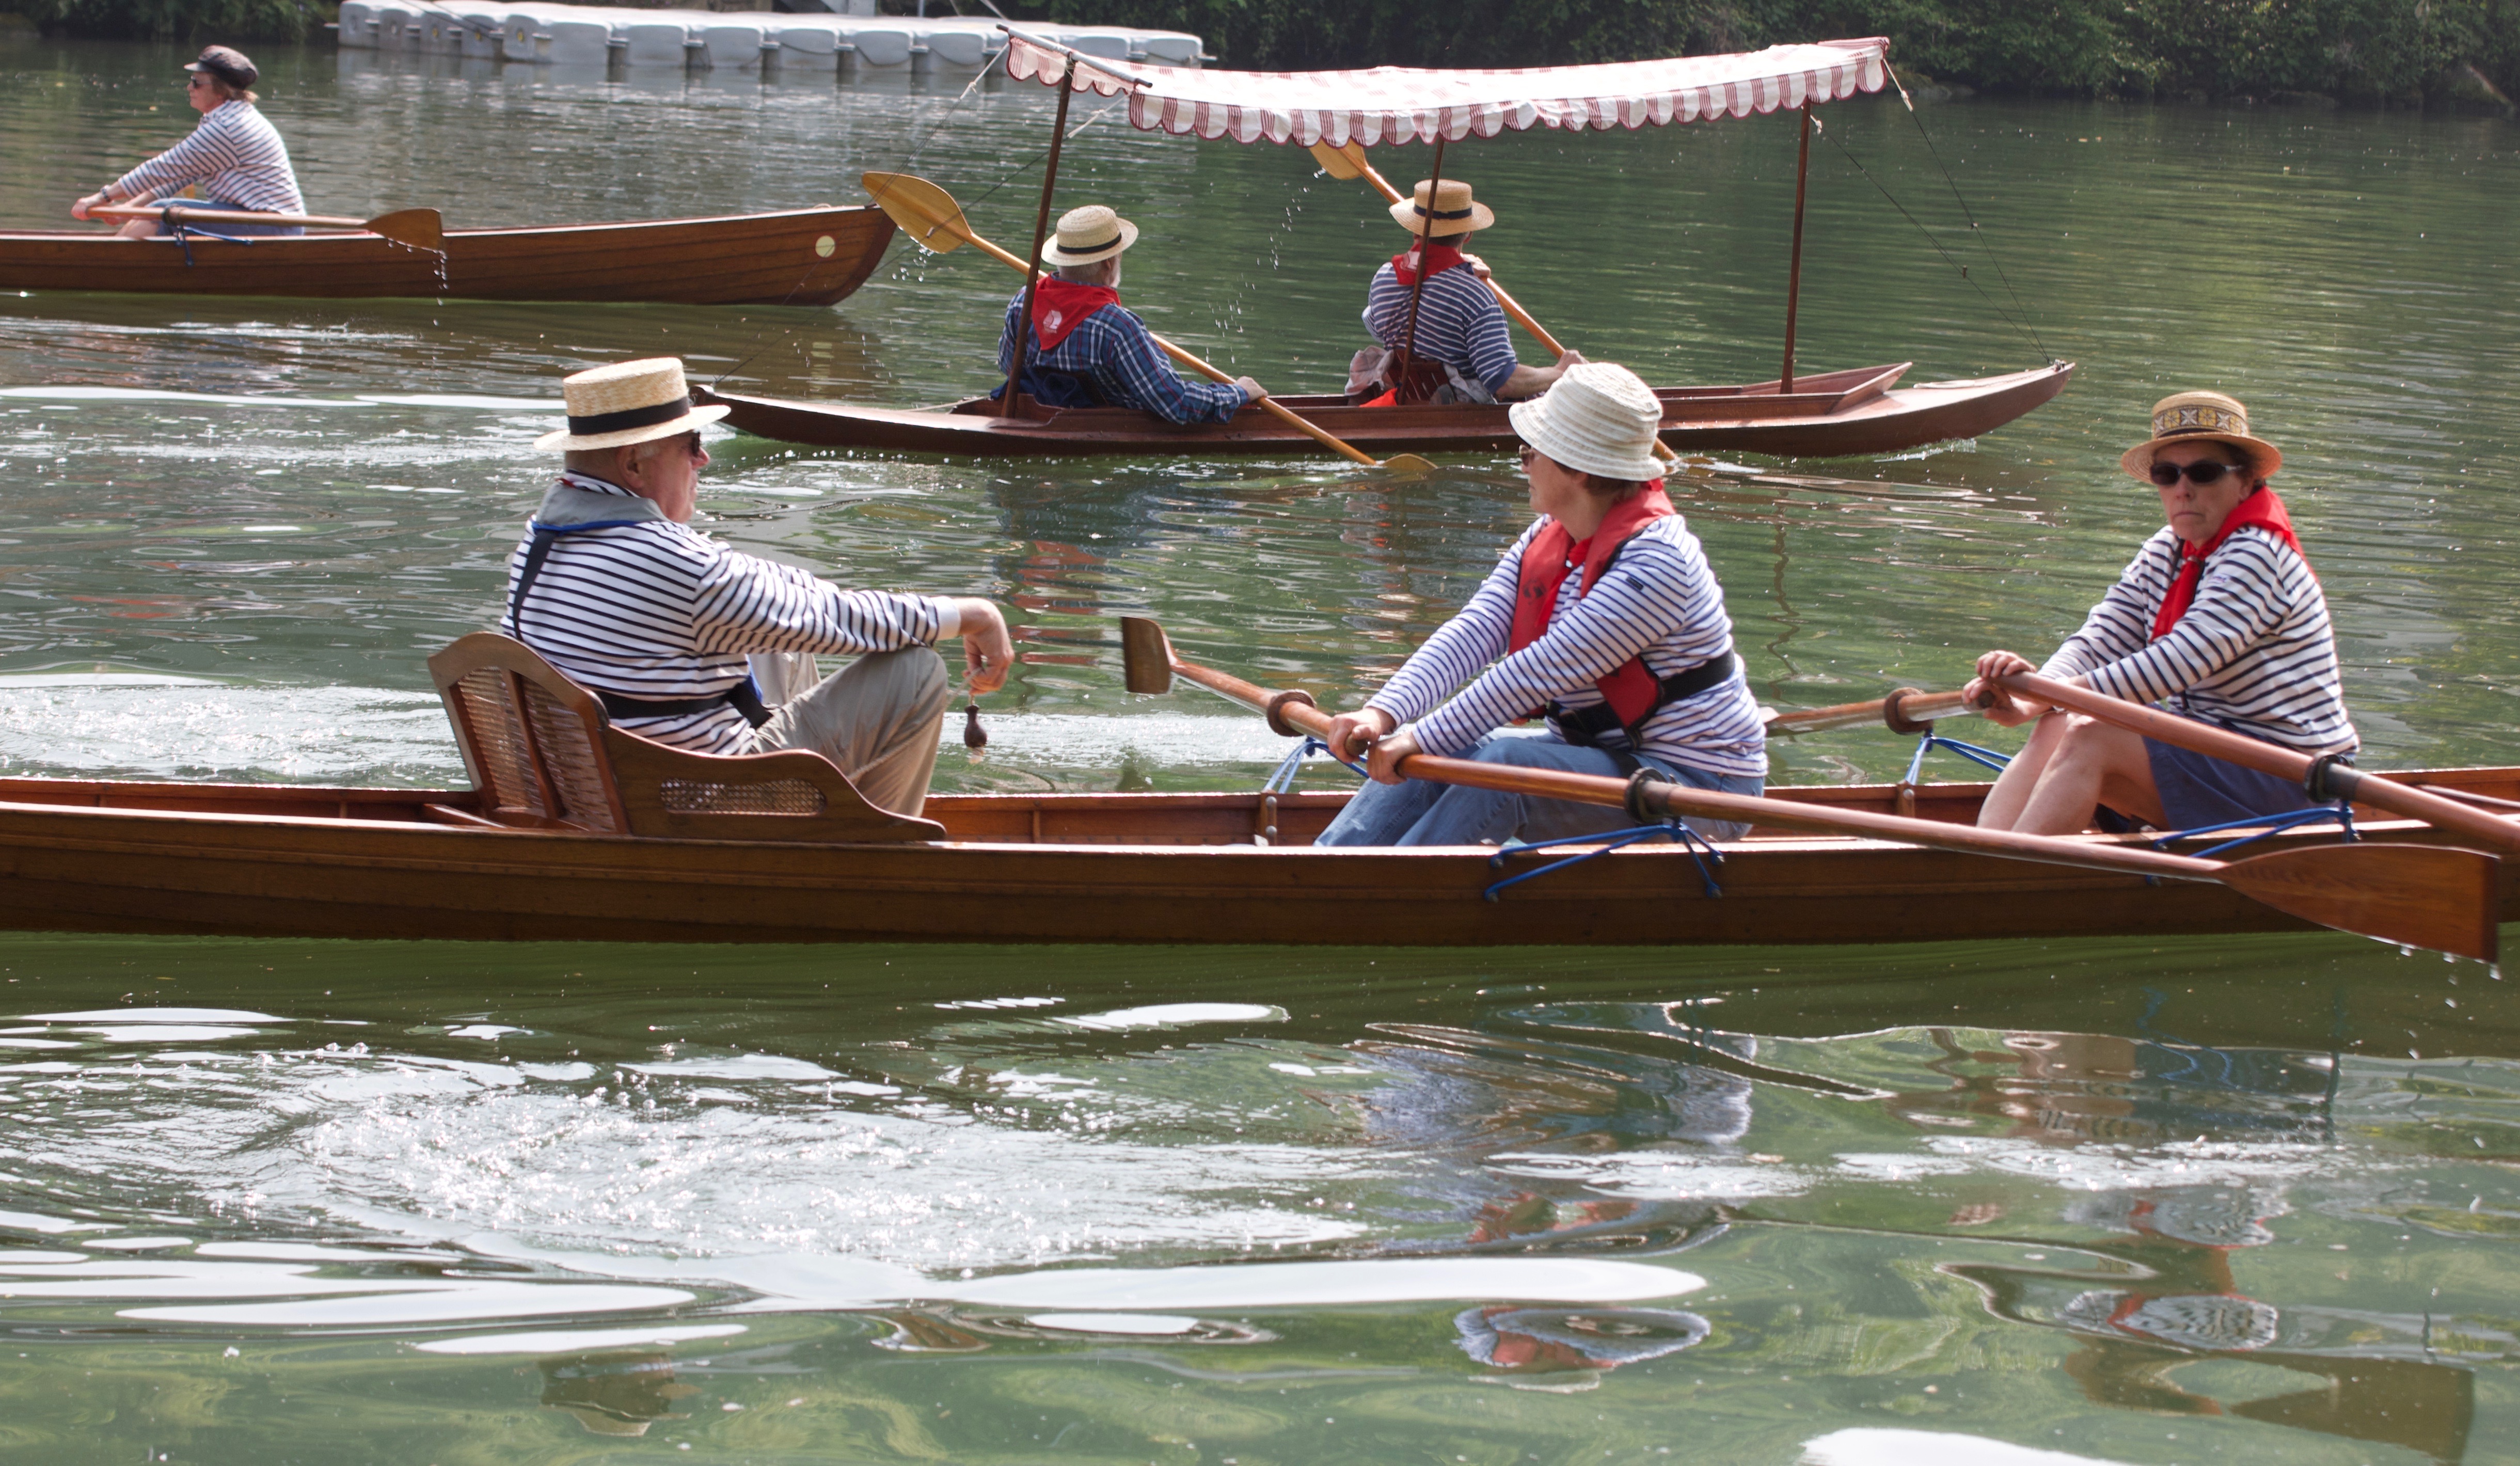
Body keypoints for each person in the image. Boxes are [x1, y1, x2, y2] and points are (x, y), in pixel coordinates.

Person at [506, 357, 1015, 817]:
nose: (702, 461)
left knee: (782, 650)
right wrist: (975, 614)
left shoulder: (537, 542)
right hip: (697, 802)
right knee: (915, 669)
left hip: (606, 789)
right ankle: (879, 855)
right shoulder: (670, 559)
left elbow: (791, 604)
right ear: (634, 464)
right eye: (691, 446)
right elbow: (833, 617)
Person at [1314, 362, 1767, 847]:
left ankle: (1378, 896)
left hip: (1700, 789)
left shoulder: (1658, 566)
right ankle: (1325, 865)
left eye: (1533, 451)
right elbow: (1475, 630)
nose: (1523, 462)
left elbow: (1537, 672)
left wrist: (1419, 738)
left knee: (1502, 767)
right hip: (1606, 758)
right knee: (1461, 748)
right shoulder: (1551, 534)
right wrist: (1383, 714)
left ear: (1576, 468)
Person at [1965, 391, 2358, 836]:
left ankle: (2005, 874)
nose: (2182, 489)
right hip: (2215, 751)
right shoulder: (2169, 548)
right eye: (2166, 474)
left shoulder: (2257, 553)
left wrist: (2042, 696)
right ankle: (1980, 854)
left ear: (2246, 483)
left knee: (2089, 734)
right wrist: (2031, 695)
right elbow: (2100, 640)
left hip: (2294, 779)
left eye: (2204, 473)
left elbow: (2177, 661)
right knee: (2063, 718)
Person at [993, 204, 1266, 422]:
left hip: (1036, 423)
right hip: (1101, 433)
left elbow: (1010, 368)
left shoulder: (1022, 304)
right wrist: (1238, 392)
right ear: (1109, 263)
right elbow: (1176, 403)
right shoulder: (1118, 328)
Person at [1354, 178, 1581, 405]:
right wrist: (1561, 371)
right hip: (1461, 409)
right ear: (1469, 235)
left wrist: (1458, 267)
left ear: (1415, 230)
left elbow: (1378, 327)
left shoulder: (1384, 277)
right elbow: (1503, 380)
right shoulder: (1475, 294)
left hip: (1410, 398)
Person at [71, 46, 306, 239]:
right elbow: (180, 176)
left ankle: (106, 264)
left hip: (274, 228)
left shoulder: (226, 128)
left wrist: (102, 197)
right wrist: (129, 209)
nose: (189, 87)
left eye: (196, 82)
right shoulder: (229, 117)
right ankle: (111, 258)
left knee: (160, 211)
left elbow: (162, 168)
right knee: (158, 211)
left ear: (220, 91)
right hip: (262, 222)